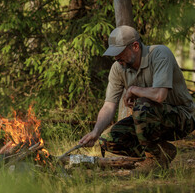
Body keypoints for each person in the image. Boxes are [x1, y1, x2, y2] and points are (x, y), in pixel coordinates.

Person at [79, 25, 195, 170]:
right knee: (109, 140)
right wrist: (95, 132)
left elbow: (159, 95)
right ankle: (161, 152)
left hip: (182, 119)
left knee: (142, 106)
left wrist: (134, 89)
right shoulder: (118, 68)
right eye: (114, 54)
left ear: (135, 46)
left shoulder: (159, 53)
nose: (116, 58)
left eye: (119, 52)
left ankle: (154, 161)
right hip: (148, 120)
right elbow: (109, 105)